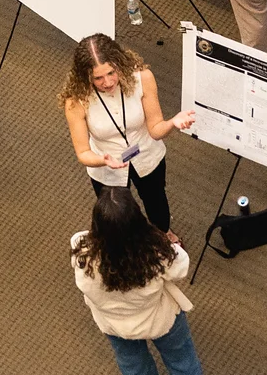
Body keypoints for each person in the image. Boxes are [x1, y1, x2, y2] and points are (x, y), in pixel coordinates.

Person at [70, 186, 232, 375]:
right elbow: (182, 266)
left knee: (133, 364)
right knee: (181, 362)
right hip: (160, 320)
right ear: (138, 221)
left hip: (113, 324)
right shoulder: (156, 252)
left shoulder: (81, 247)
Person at [61, 35, 194, 231]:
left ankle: (164, 234)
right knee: (119, 217)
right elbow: (83, 153)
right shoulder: (77, 101)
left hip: (147, 154)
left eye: (111, 73)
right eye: (98, 78)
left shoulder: (142, 78)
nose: (107, 82)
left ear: (119, 63)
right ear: (85, 76)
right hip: (107, 169)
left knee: (156, 201)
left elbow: (156, 130)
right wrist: (103, 160)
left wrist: (172, 123)